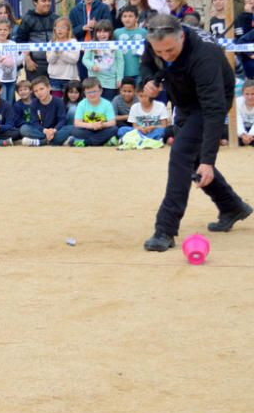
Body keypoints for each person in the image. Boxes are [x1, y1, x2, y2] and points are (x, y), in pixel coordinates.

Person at [138, 14, 251, 251]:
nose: (166, 55)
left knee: (181, 153)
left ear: (182, 36)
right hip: (184, 98)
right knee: (191, 158)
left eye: (170, 50)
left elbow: (213, 111)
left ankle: (165, 230)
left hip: (212, 100)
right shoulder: (157, 39)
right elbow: (148, 64)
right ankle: (231, 206)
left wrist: (209, 161)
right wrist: (150, 80)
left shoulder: (204, 57)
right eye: (160, 51)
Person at [16, 0, 58, 81]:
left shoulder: (56, 18)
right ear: (35, 2)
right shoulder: (27, 19)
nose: (47, 3)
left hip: (55, 63)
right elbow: (21, 41)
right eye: (43, 1)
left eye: (49, 0)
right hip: (35, 64)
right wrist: (27, 59)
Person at [19, 76, 71, 146]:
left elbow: (62, 120)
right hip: (42, 130)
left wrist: (54, 130)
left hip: (56, 130)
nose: (39, 93)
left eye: (41, 89)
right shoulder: (34, 103)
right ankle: (53, 141)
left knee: (71, 128)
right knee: (24, 129)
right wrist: (45, 131)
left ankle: (40, 142)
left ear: (49, 87)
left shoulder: (58, 102)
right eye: (36, 91)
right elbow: (34, 122)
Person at [67, 77, 118, 147]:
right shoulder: (81, 104)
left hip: (102, 129)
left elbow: (112, 122)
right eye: (88, 92)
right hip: (87, 129)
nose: (92, 94)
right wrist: (91, 125)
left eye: (94, 91)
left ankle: (86, 142)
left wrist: (102, 125)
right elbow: (77, 123)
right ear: (84, 93)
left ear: (101, 91)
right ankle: (102, 142)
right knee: (74, 130)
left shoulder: (107, 104)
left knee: (114, 129)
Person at [82, 20, 122, 99]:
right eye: (99, 32)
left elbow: (120, 62)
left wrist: (119, 78)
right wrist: (92, 66)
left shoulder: (115, 45)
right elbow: (85, 59)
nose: (102, 34)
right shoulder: (92, 44)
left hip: (110, 83)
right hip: (94, 81)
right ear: (95, 33)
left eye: (105, 32)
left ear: (110, 33)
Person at [46, 17, 78, 97]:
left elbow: (74, 59)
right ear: (54, 29)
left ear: (68, 30)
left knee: (68, 102)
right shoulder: (51, 42)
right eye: (58, 27)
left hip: (69, 78)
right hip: (54, 78)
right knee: (57, 101)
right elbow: (50, 60)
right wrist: (55, 53)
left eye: (63, 27)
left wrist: (62, 52)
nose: (60, 30)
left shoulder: (73, 42)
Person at [114, 6, 146, 85]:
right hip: (122, 73)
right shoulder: (116, 33)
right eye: (124, 16)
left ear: (136, 18)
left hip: (139, 72)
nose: (127, 19)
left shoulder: (144, 32)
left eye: (130, 16)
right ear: (121, 18)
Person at [237, 79, 254, 147]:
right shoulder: (238, 102)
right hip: (243, 129)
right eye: (247, 94)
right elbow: (237, 121)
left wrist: (250, 135)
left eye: (253, 94)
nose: (250, 97)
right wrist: (243, 135)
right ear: (242, 93)